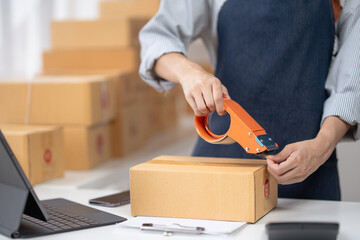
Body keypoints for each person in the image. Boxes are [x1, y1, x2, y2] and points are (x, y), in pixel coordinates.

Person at [139, 0, 360, 201]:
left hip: (309, 170)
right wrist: (189, 73)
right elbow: (157, 38)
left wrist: (321, 147)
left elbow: (350, 86)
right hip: (221, 166)